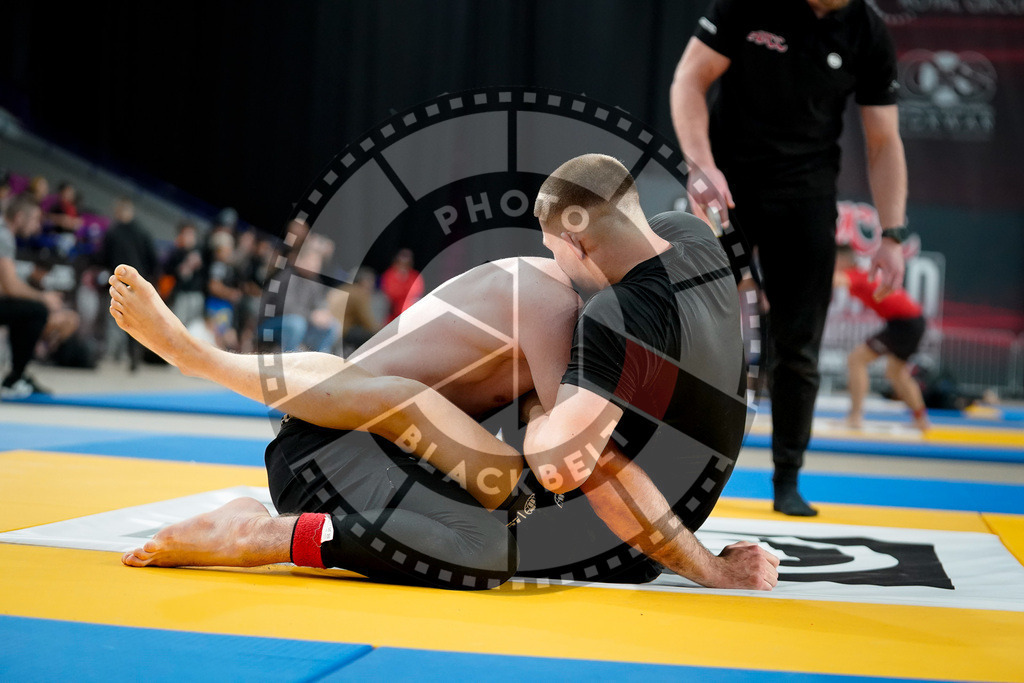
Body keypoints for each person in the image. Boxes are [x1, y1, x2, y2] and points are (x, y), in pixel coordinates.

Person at [108, 155, 778, 591]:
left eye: (553, 245)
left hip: (416, 444)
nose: (550, 257)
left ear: (578, 239)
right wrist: (708, 567)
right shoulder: (555, 301)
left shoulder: (671, 252)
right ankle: (256, 531)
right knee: (490, 542)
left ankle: (214, 379)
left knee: (517, 493)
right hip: (331, 455)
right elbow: (570, 466)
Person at [670, 0, 909, 515]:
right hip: (728, 183)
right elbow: (689, 79)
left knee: (798, 347)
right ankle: (667, 461)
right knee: (686, 324)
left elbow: (883, 139)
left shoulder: (867, 32)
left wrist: (892, 233)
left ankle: (788, 479)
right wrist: (700, 165)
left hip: (806, 193)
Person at [834, 244, 928, 431]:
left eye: (834, 259)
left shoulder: (857, 275)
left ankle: (855, 416)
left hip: (905, 322)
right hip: (909, 321)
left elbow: (835, 281)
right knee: (896, 373)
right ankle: (921, 420)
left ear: (843, 260)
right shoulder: (860, 273)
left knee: (856, 360)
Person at [0, 196, 58, 397]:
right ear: (18, 217)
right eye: (34, 219)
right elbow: (10, 287)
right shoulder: (3, 234)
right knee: (36, 311)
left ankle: (16, 375)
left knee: (25, 309)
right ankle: (15, 378)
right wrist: (43, 297)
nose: (37, 226)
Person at [164, 221, 205, 328]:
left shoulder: (201, 250)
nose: (188, 237)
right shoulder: (176, 253)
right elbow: (169, 271)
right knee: (177, 326)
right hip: (181, 295)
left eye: (191, 234)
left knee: (192, 329)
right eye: (185, 234)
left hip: (196, 295)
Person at [379, 248, 424, 322]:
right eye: (400, 263)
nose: (403, 267)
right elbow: (389, 292)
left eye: (406, 264)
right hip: (392, 314)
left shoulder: (414, 276)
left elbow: (415, 294)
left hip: (410, 315)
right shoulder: (389, 274)